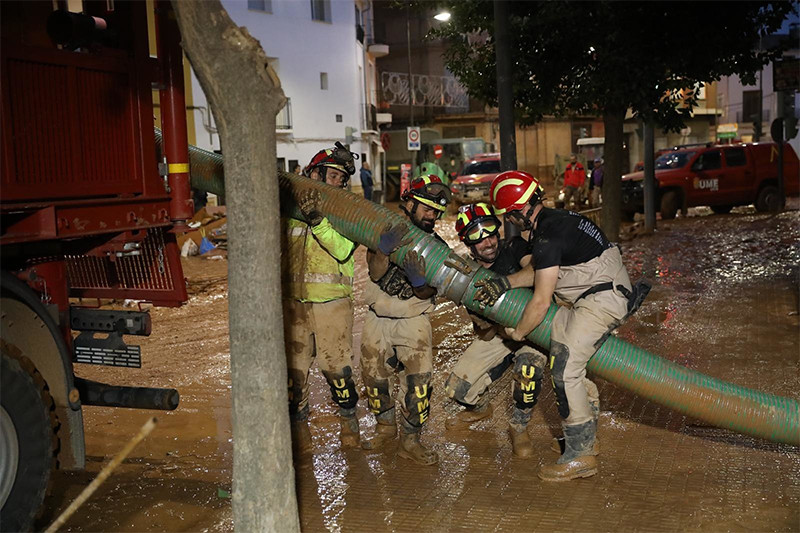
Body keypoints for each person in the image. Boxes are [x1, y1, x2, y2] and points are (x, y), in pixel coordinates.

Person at [474, 170, 650, 481]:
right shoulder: (554, 221)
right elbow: (546, 272)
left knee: (565, 368)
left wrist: (517, 333)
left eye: (510, 216)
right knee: (563, 349)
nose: (511, 222)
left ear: (519, 212)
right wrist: (505, 283)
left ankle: (581, 456)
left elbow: (541, 301)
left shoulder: (547, 234)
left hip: (601, 300)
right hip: (596, 292)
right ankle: (588, 438)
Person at [443, 202, 547, 457]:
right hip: (501, 336)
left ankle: (519, 427)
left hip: (534, 332)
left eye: (490, 232)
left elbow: (537, 272)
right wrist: (484, 324)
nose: (488, 242)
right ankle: (479, 407)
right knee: (458, 388)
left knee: (528, 373)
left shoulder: (514, 247)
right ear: (467, 242)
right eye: (477, 237)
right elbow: (485, 334)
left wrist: (506, 284)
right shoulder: (471, 274)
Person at [360, 175, 451, 465]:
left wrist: (418, 282)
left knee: (419, 385)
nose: (431, 215)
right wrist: (383, 250)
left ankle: (410, 441)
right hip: (377, 318)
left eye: (435, 211)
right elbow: (374, 273)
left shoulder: (437, 247)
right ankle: (385, 428)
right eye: (426, 208)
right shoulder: (386, 233)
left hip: (413, 319)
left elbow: (430, 290)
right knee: (374, 379)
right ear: (409, 203)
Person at [283, 142, 361, 454]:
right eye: (332, 175)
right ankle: (300, 434)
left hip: (332, 304)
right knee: (294, 376)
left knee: (337, 370)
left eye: (341, 178)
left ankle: (348, 423)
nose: (337, 182)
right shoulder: (291, 211)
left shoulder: (346, 211)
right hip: (294, 305)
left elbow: (342, 250)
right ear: (314, 173)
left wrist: (319, 221)